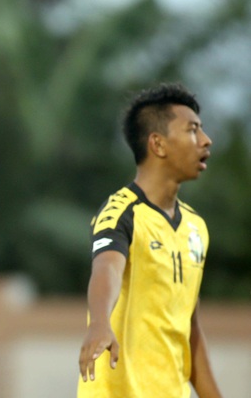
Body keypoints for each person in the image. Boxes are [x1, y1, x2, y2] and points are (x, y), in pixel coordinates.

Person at [77, 83, 223, 397]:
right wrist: (100, 322)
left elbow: (190, 332)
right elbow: (107, 269)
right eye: (193, 130)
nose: (206, 140)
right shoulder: (120, 212)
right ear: (158, 144)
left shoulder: (196, 227)